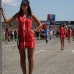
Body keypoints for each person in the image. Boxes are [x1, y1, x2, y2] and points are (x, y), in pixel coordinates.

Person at [0, 0, 42, 74]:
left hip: (30, 38)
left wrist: (34, 30)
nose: (23, 6)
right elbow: (7, 20)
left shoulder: (31, 14)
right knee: (22, 58)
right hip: (21, 38)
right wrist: (2, 12)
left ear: (28, 6)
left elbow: (40, 24)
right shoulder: (18, 14)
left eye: (25, 5)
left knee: (30, 58)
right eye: (22, 5)